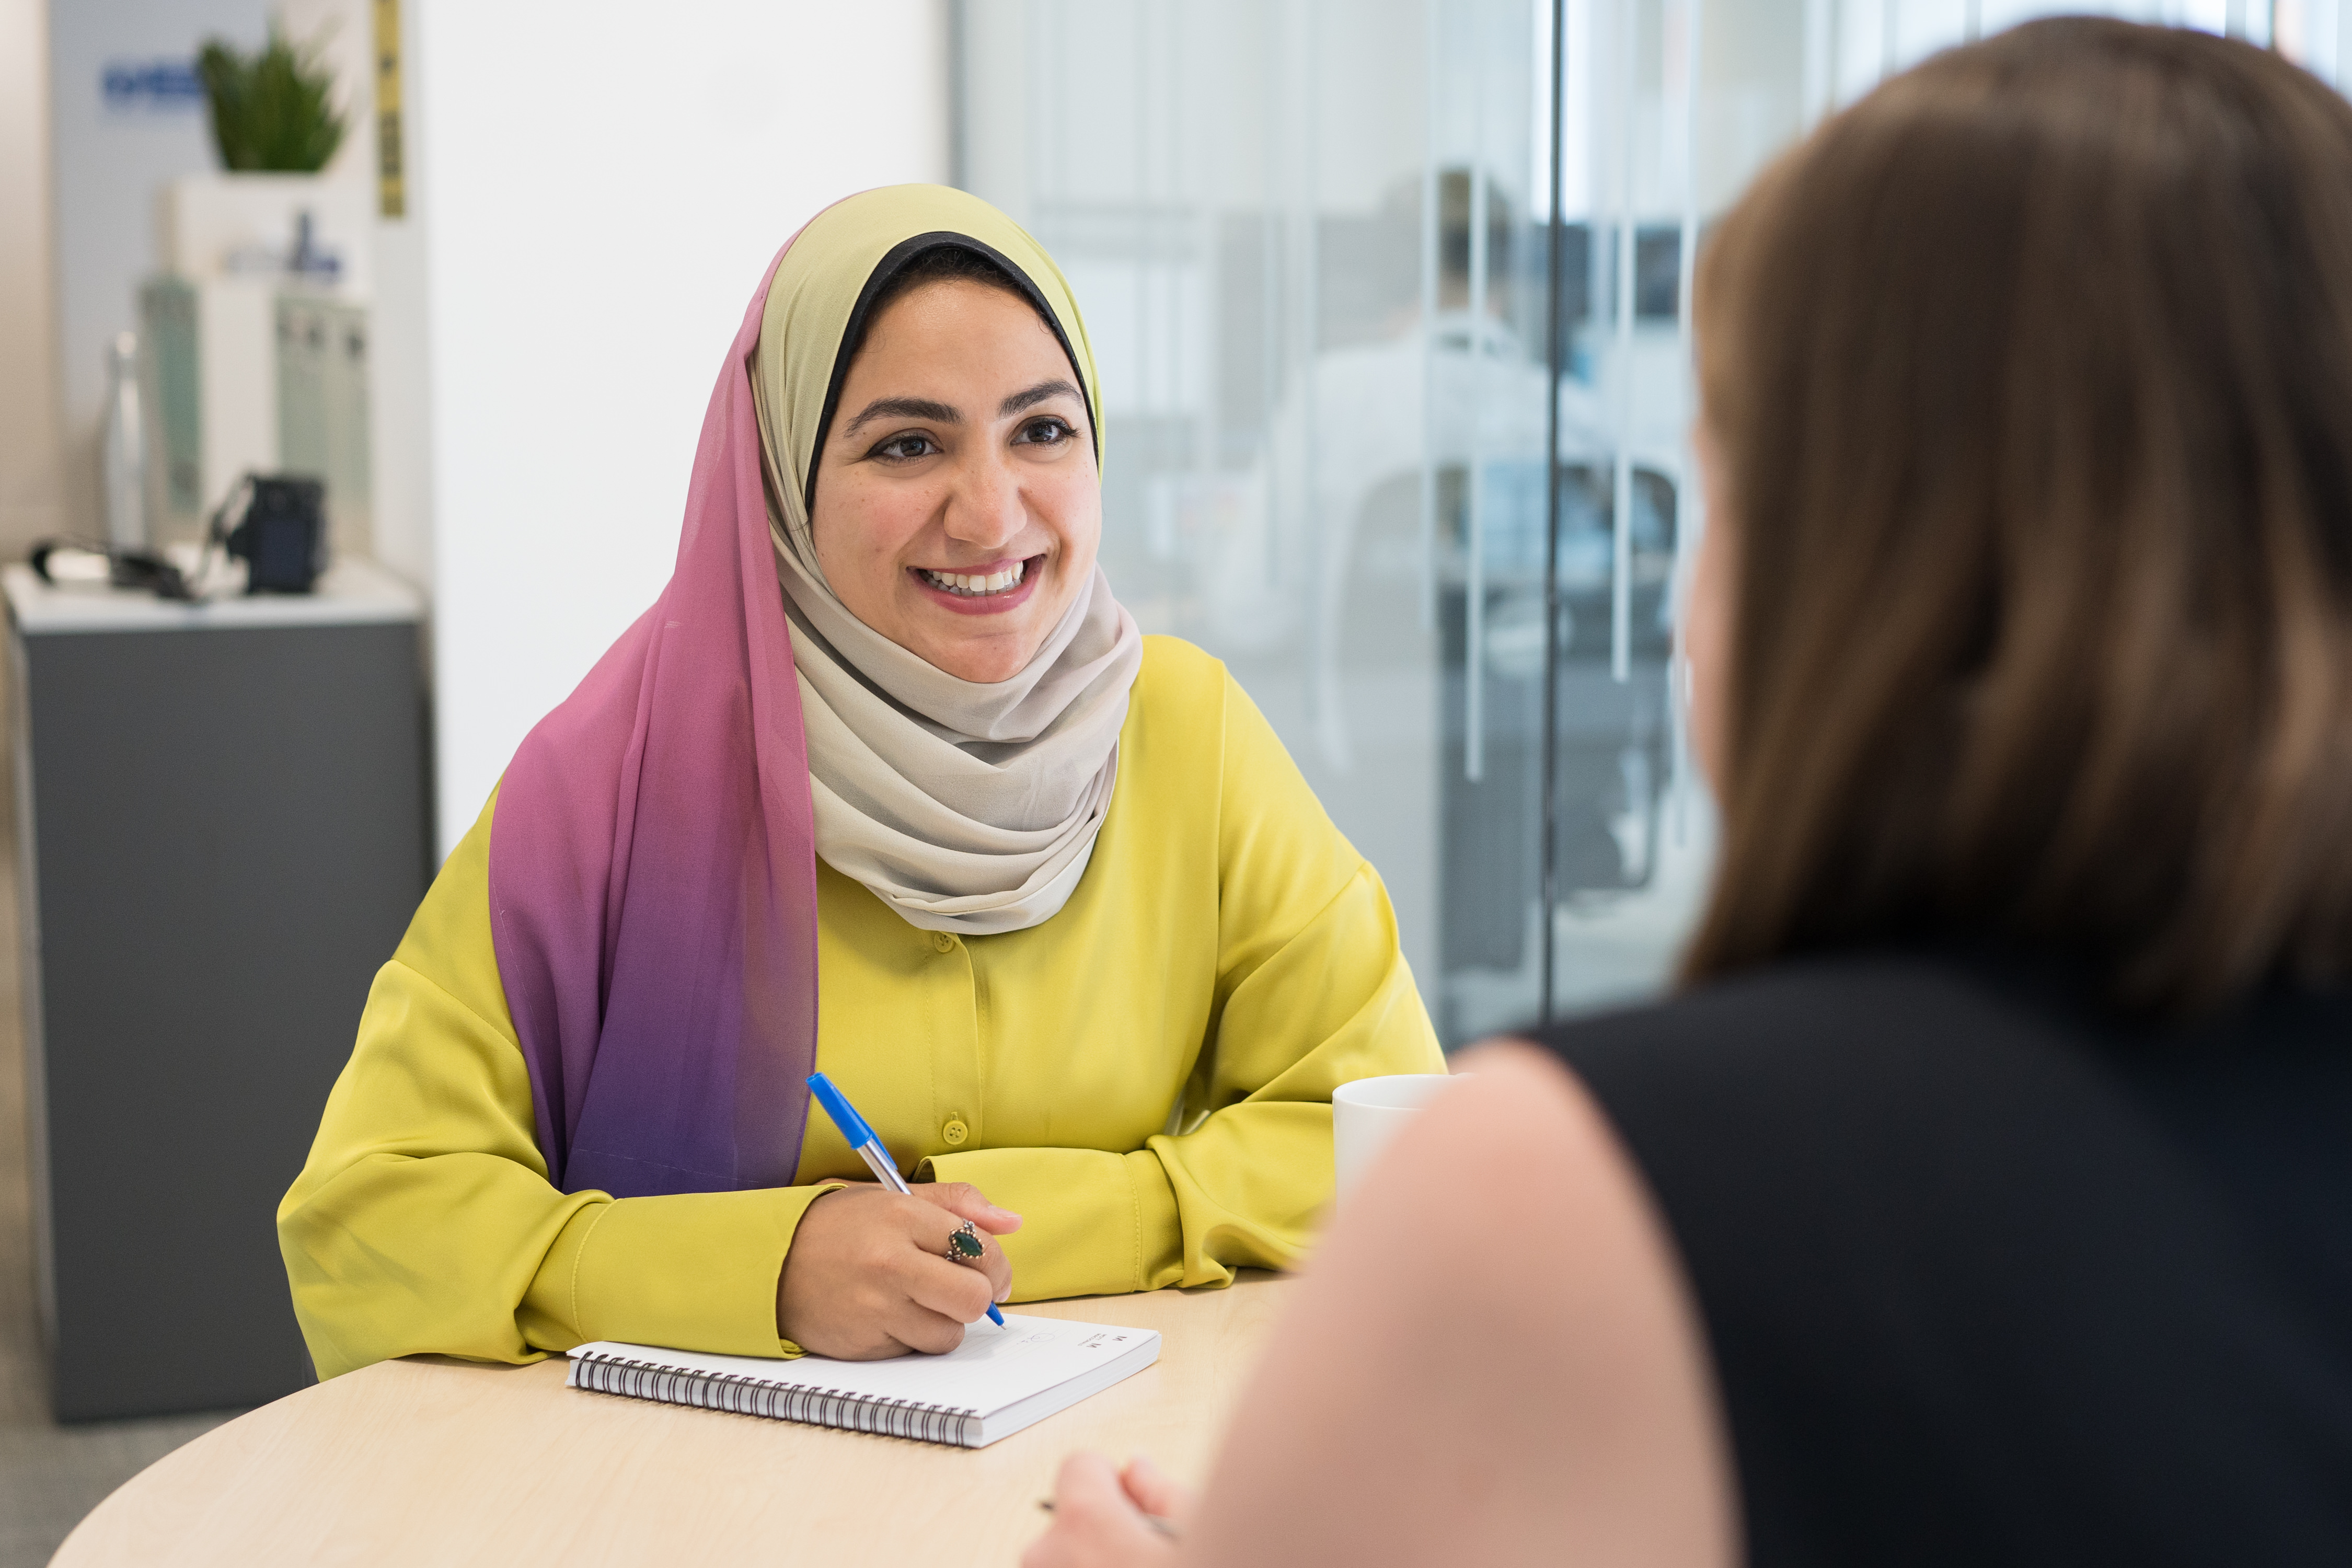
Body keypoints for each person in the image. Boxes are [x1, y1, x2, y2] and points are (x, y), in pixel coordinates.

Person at [1028, 20, 2352, 1567]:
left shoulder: (1584, 1195)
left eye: (1720, 489)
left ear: (1846, 567)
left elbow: (1253, 594)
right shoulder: (1556, 409)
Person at [276, 185, 1442, 1377]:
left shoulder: (1186, 734)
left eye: (1042, 430)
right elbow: (368, 1227)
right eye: (908, 444)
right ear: (780, 480)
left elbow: (1399, 1143)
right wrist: (767, 1269)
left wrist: (1029, 1228)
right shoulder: (611, 784)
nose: (992, 516)